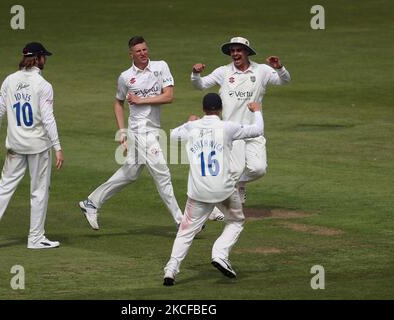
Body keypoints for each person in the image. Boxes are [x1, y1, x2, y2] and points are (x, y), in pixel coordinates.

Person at [78, 36, 183, 230]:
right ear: (131, 54)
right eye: (138, 51)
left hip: (152, 129)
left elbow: (169, 96)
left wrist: (141, 100)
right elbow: (118, 102)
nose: (143, 53)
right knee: (163, 174)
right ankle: (181, 221)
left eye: (144, 49)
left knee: (130, 173)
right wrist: (122, 132)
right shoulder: (126, 77)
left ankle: (91, 203)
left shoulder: (161, 67)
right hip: (140, 132)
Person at [162, 93, 264, 286]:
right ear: (220, 109)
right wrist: (257, 111)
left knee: (185, 232)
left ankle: (170, 269)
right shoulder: (227, 127)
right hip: (223, 190)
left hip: (198, 193)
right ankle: (219, 254)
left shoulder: (192, 127)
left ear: (203, 109)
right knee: (235, 221)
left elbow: (174, 134)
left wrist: (188, 122)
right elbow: (258, 130)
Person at [0, 42, 64, 250]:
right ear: (38, 58)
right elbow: (48, 119)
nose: (45, 60)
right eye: (44, 57)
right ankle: (36, 238)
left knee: (4, 188)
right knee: (39, 191)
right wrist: (57, 146)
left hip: (15, 145)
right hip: (38, 146)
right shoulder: (44, 85)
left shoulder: (9, 80)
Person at [191, 36, 291, 218]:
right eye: (232, 51)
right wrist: (196, 74)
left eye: (239, 50)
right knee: (233, 171)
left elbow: (284, 81)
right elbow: (200, 85)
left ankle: (239, 185)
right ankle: (214, 208)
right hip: (232, 132)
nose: (235, 54)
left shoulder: (261, 71)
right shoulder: (223, 72)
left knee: (259, 169)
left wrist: (279, 68)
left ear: (246, 52)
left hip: (254, 130)